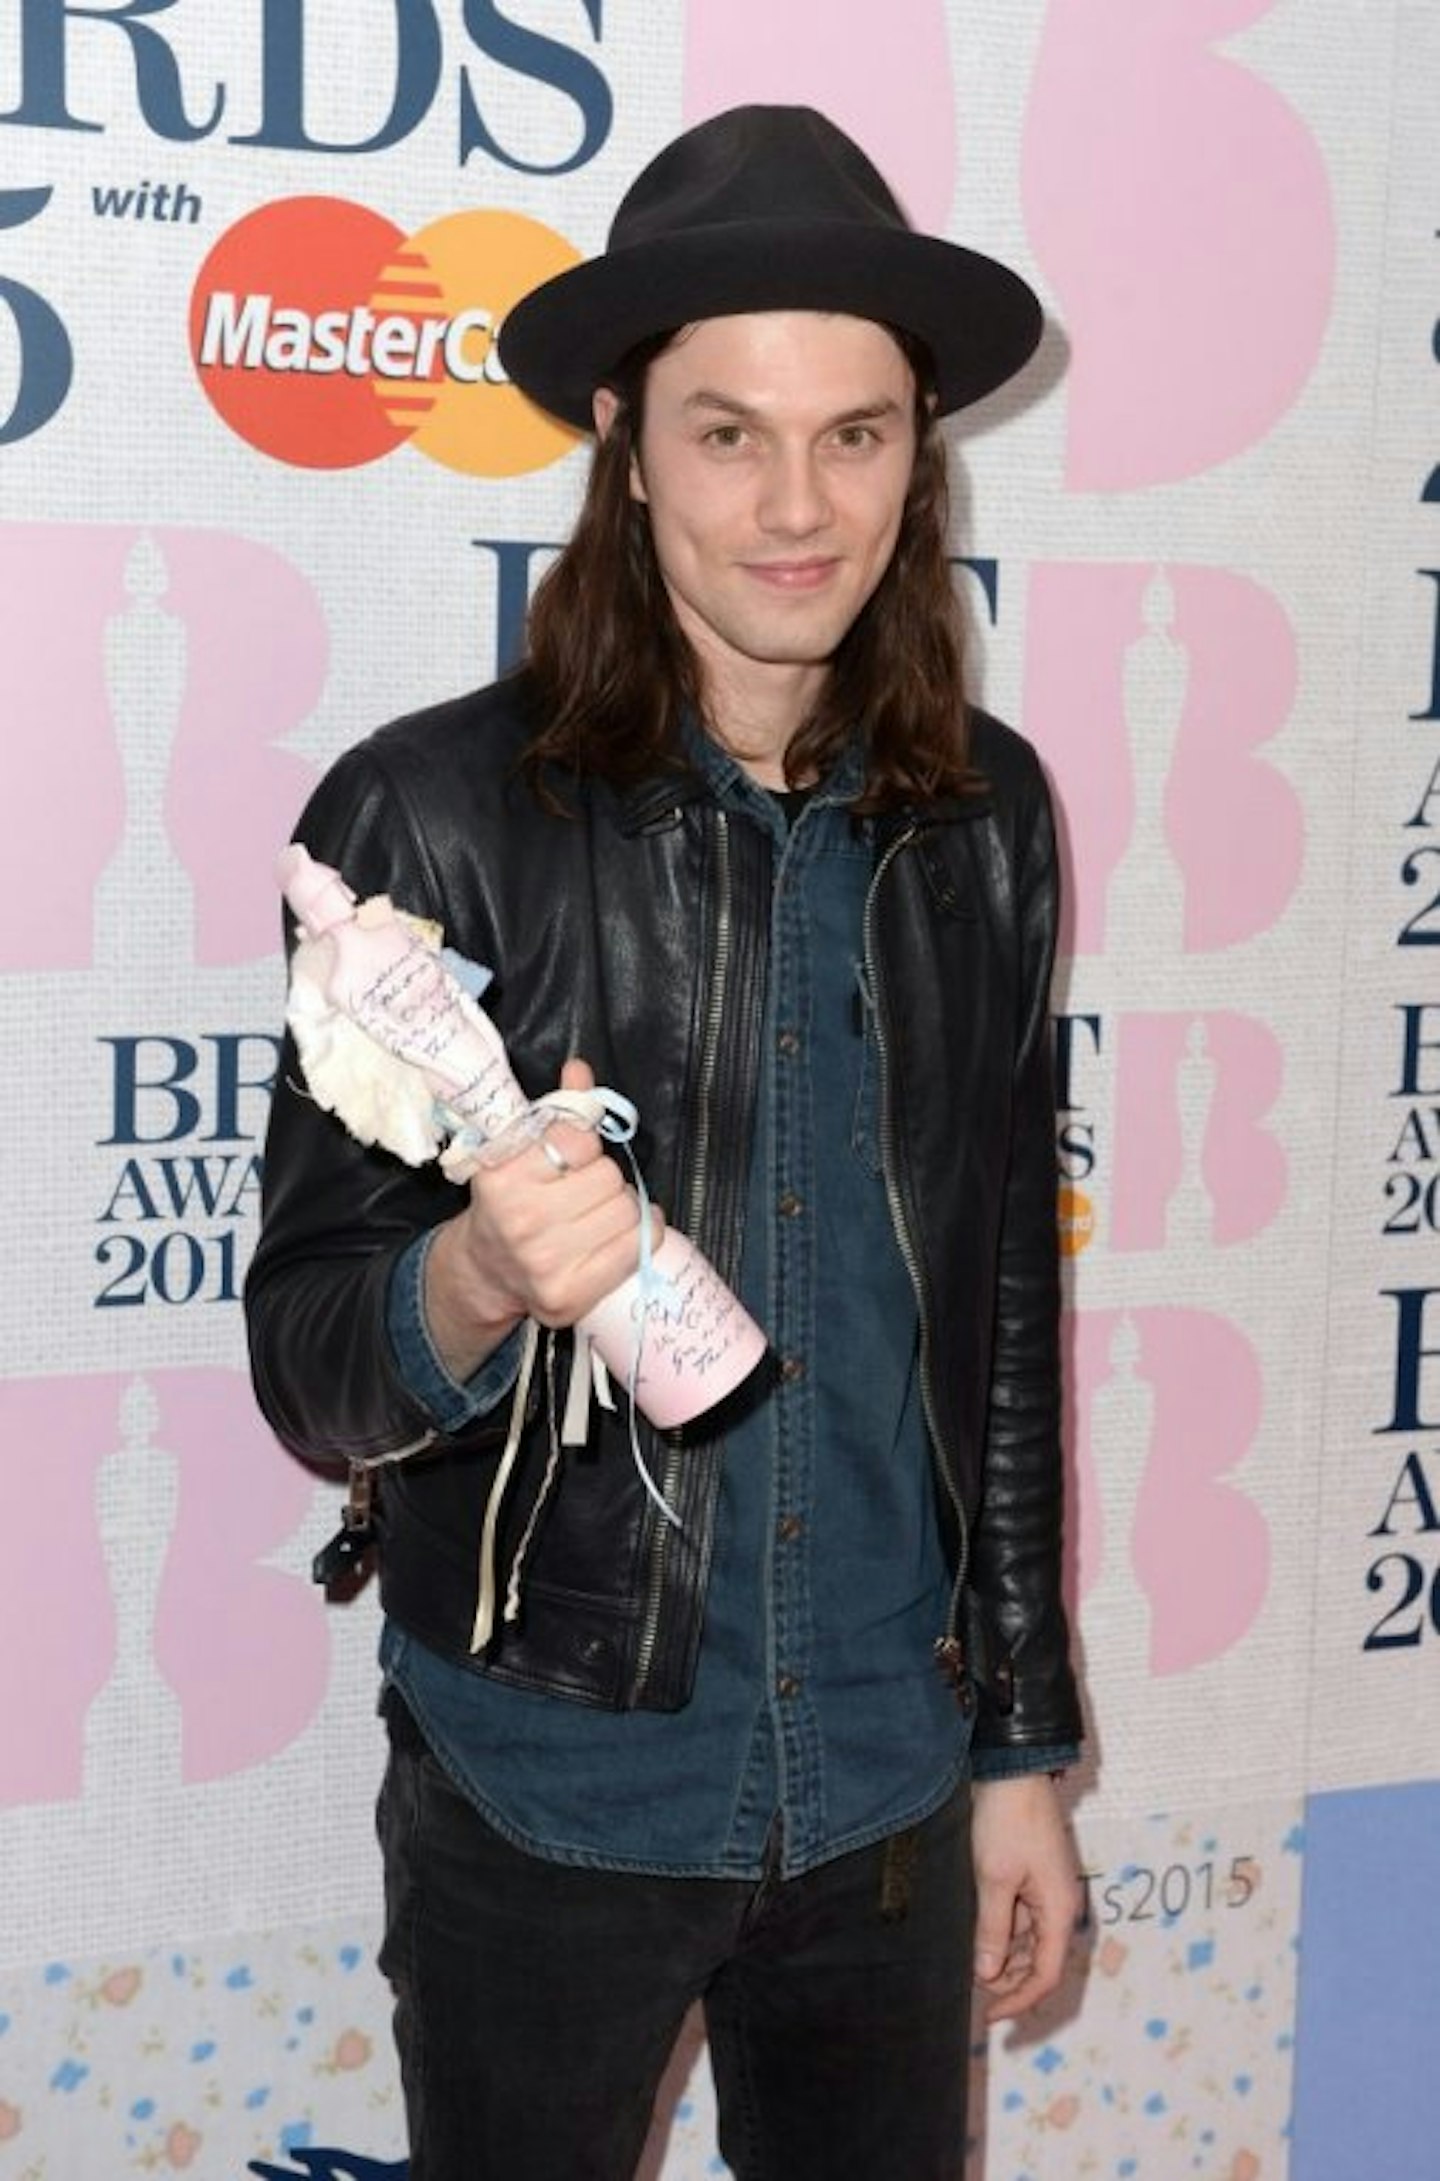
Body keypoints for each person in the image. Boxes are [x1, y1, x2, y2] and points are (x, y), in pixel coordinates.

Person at [246, 103, 1083, 2181]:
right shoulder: (426, 819)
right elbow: (309, 1353)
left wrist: (1021, 1752)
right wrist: (475, 1275)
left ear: (921, 447)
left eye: (859, 435)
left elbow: (993, 1304)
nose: (801, 505)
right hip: (553, 1782)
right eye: (729, 433)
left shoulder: (987, 818)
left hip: (890, 1785)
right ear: (622, 436)